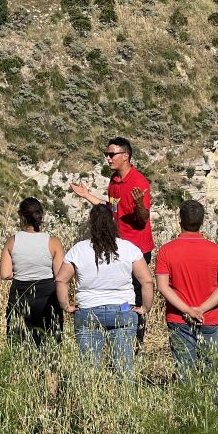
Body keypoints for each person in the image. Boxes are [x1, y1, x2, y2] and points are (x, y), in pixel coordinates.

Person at [70, 136, 153, 348]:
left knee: (133, 299)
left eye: (111, 154)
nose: (107, 158)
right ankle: (113, 335)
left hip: (136, 250)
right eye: (107, 154)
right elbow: (112, 208)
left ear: (125, 156)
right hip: (117, 246)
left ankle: (134, 344)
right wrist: (87, 195)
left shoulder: (138, 183)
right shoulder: (114, 182)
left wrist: (139, 205)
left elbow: (143, 219)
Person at [55, 204, 153, 376]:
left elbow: (62, 279)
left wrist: (66, 306)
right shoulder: (128, 248)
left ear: (91, 224)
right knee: (123, 367)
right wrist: (145, 308)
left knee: (89, 368)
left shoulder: (78, 249)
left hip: (88, 310)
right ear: (113, 222)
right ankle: (123, 399)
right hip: (123, 308)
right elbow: (146, 280)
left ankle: (90, 400)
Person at [155, 200, 218, 377]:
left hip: (179, 317)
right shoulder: (217, 251)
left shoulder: (166, 251)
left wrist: (188, 310)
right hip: (208, 317)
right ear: (202, 221)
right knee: (212, 371)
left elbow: (163, 286)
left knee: (185, 371)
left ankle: (188, 404)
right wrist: (201, 309)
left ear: (179, 220)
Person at [0, 197, 64, 345]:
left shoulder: (12, 241)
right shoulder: (53, 242)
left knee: (19, 342)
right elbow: (60, 275)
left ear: (21, 216)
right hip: (47, 296)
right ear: (41, 216)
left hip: (19, 295)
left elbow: (5, 274)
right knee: (50, 343)